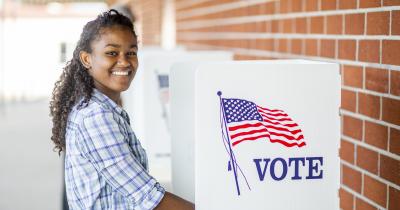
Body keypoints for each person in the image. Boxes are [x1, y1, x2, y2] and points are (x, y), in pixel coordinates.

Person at [50, 9, 194, 210]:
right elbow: (148, 197)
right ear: (86, 59)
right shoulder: (96, 116)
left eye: (131, 53)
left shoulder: (99, 106)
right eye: (111, 53)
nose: (124, 61)